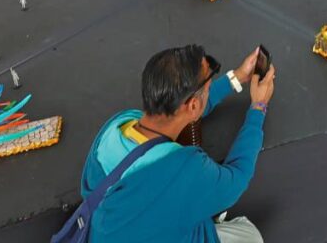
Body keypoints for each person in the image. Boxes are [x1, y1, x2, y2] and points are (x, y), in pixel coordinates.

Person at [80, 44, 275, 242]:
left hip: (106, 232)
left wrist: (237, 77)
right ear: (193, 105)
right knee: (250, 236)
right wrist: (258, 107)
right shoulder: (184, 167)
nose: (209, 91)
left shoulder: (117, 125)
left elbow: (185, 112)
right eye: (208, 88)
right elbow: (237, 179)